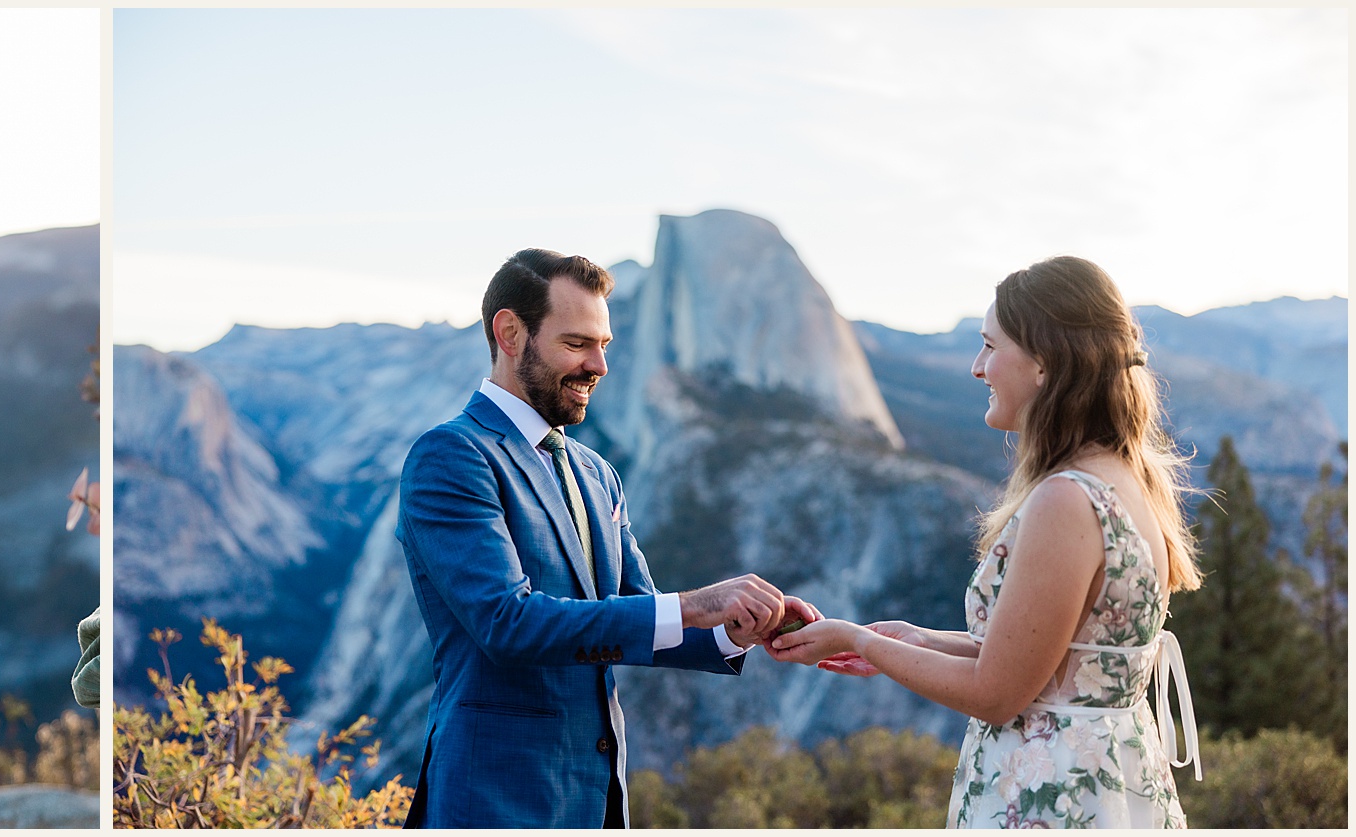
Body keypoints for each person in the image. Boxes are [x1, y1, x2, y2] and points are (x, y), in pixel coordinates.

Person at [769, 256, 1200, 828]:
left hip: (1053, 793)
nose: (978, 368)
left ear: (1044, 363)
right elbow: (1052, 662)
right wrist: (918, 639)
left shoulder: (1066, 499)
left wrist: (860, 641)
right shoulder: (1128, 476)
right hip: (1113, 782)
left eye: (991, 347)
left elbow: (997, 693)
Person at [395, 248, 812, 829]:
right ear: (510, 333)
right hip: (494, 798)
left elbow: (638, 614)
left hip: (596, 801)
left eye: (604, 345)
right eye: (576, 344)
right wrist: (693, 605)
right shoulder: (451, 457)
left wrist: (733, 630)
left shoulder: (595, 471)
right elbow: (506, 625)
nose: (600, 365)